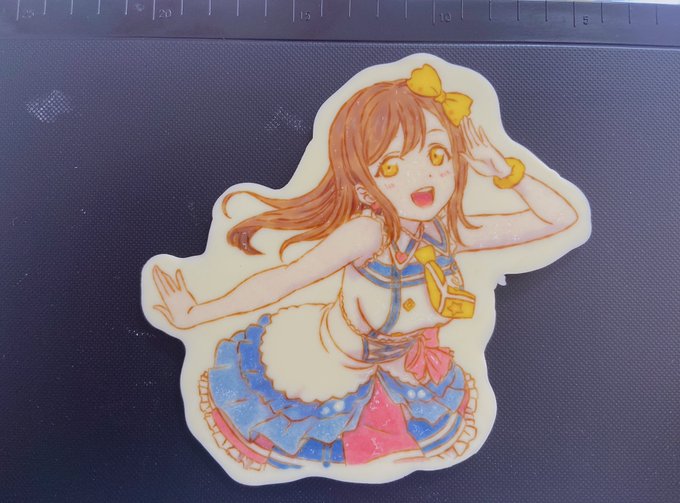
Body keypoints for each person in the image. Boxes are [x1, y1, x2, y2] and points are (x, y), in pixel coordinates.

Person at [150, 63, 580, 471]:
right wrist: (196, 314)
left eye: (436, 154)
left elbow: (560, 219)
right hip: (326, 372)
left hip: (401, 373)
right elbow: (285, 279)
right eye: (392, 165)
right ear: (363, 186)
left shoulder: (446, 232)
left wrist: (504, 170)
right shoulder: (367, 235)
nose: (422, 177)